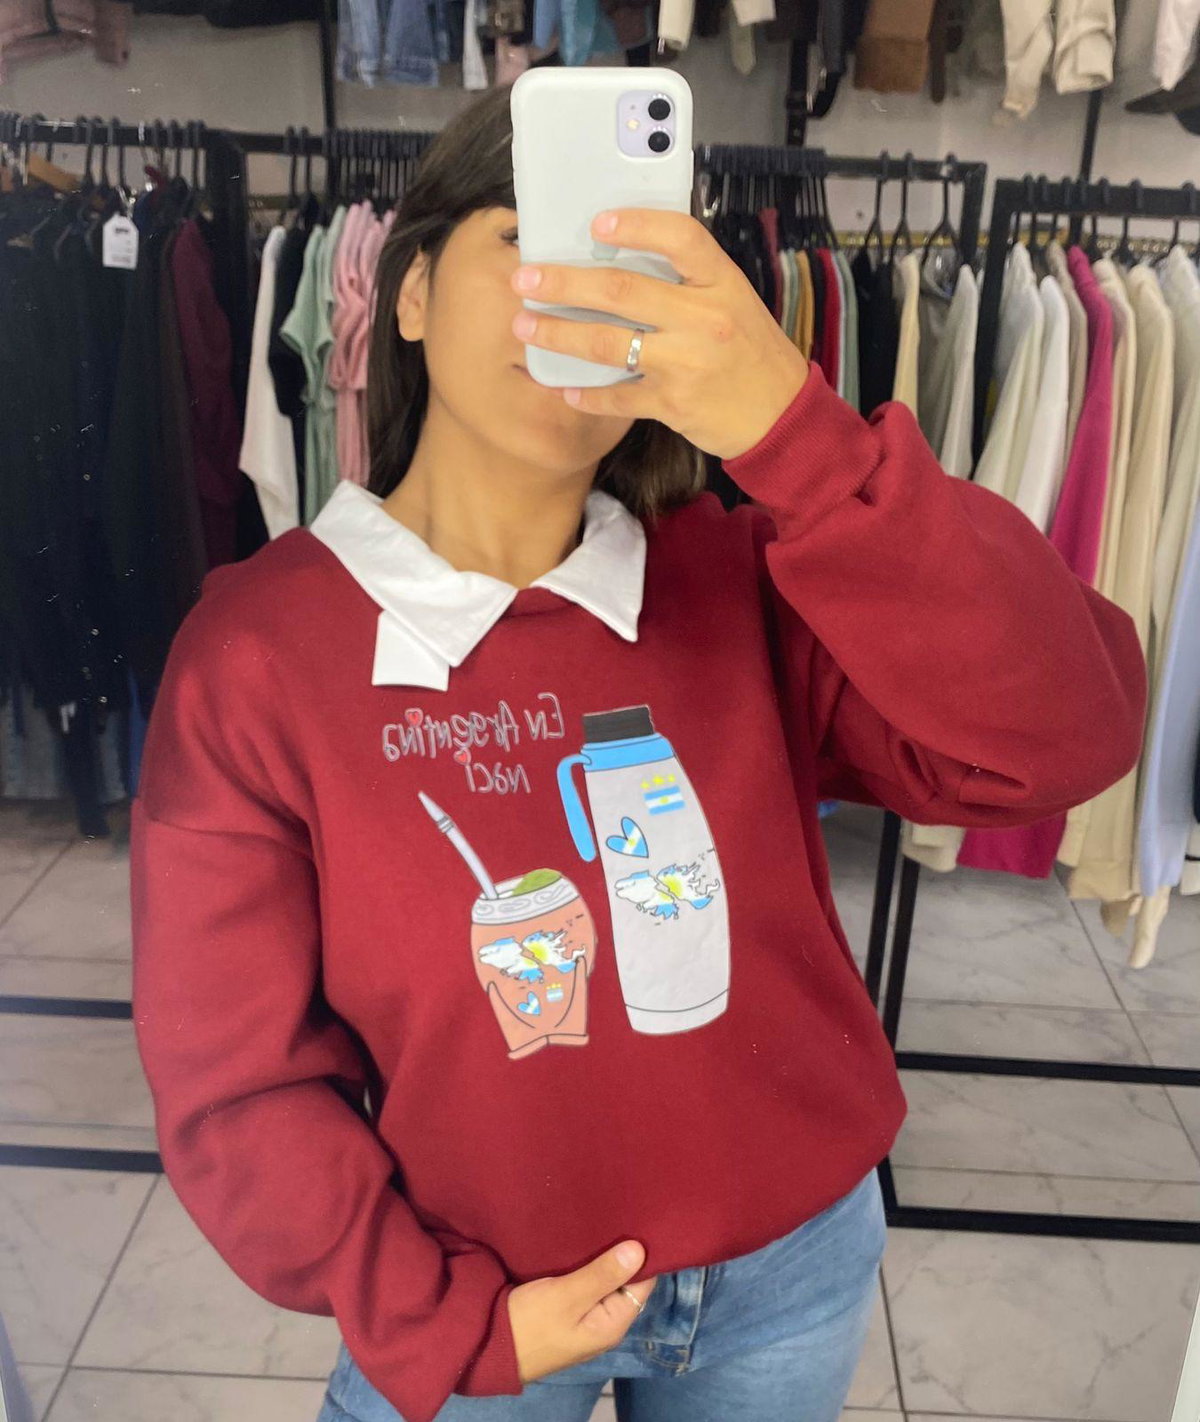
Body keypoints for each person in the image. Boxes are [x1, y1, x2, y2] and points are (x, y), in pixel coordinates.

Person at [130, 85, 1148, 1422]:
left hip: (788, 1268)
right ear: (412, 292)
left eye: (631, 267)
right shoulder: (260, 656)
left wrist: (797, 432)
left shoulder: (749, 578)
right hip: (478, 1283)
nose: (581, 299)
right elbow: (235, 1077)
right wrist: (433, 1316)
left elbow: (1068, 728)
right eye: (531, 240)